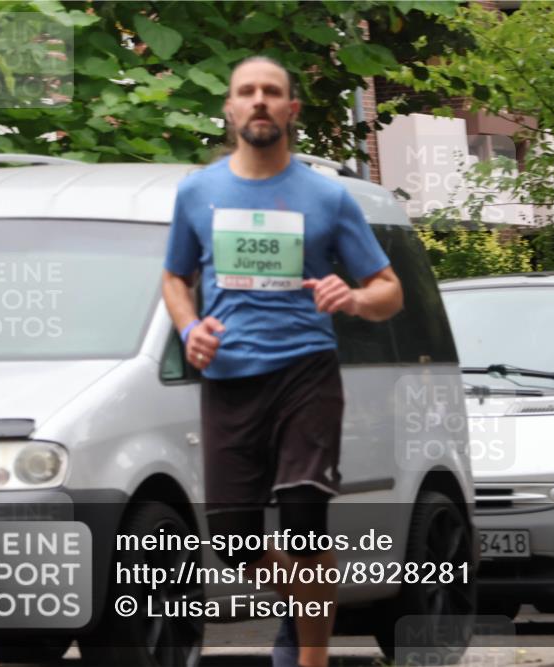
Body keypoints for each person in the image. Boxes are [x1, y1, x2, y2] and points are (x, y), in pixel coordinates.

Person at [162, 55, 403, 667]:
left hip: (306, 372)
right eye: (248, 91)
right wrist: (189, 328)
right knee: (234, 542)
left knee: (302, 519)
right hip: (229, 380)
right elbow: (173, 278)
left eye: (273, 92)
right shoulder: (198, 191)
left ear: (291, 110)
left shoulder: (326, 196)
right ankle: (308, 606)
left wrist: (350, 297)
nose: (260, 100)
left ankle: (310, 660)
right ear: (231, 109)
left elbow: (389, 289)